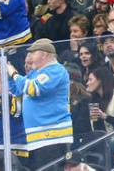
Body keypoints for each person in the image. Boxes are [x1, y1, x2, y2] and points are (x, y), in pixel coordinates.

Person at [7, 39, 72, 168]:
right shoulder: (35, 73)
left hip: (52, 136)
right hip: (37, 137)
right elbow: (16, 89)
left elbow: (33, 89)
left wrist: (13, 73)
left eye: (33, 53)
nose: (30, 57)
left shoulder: (55, 70)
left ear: (44, 54)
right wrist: (7, 75)